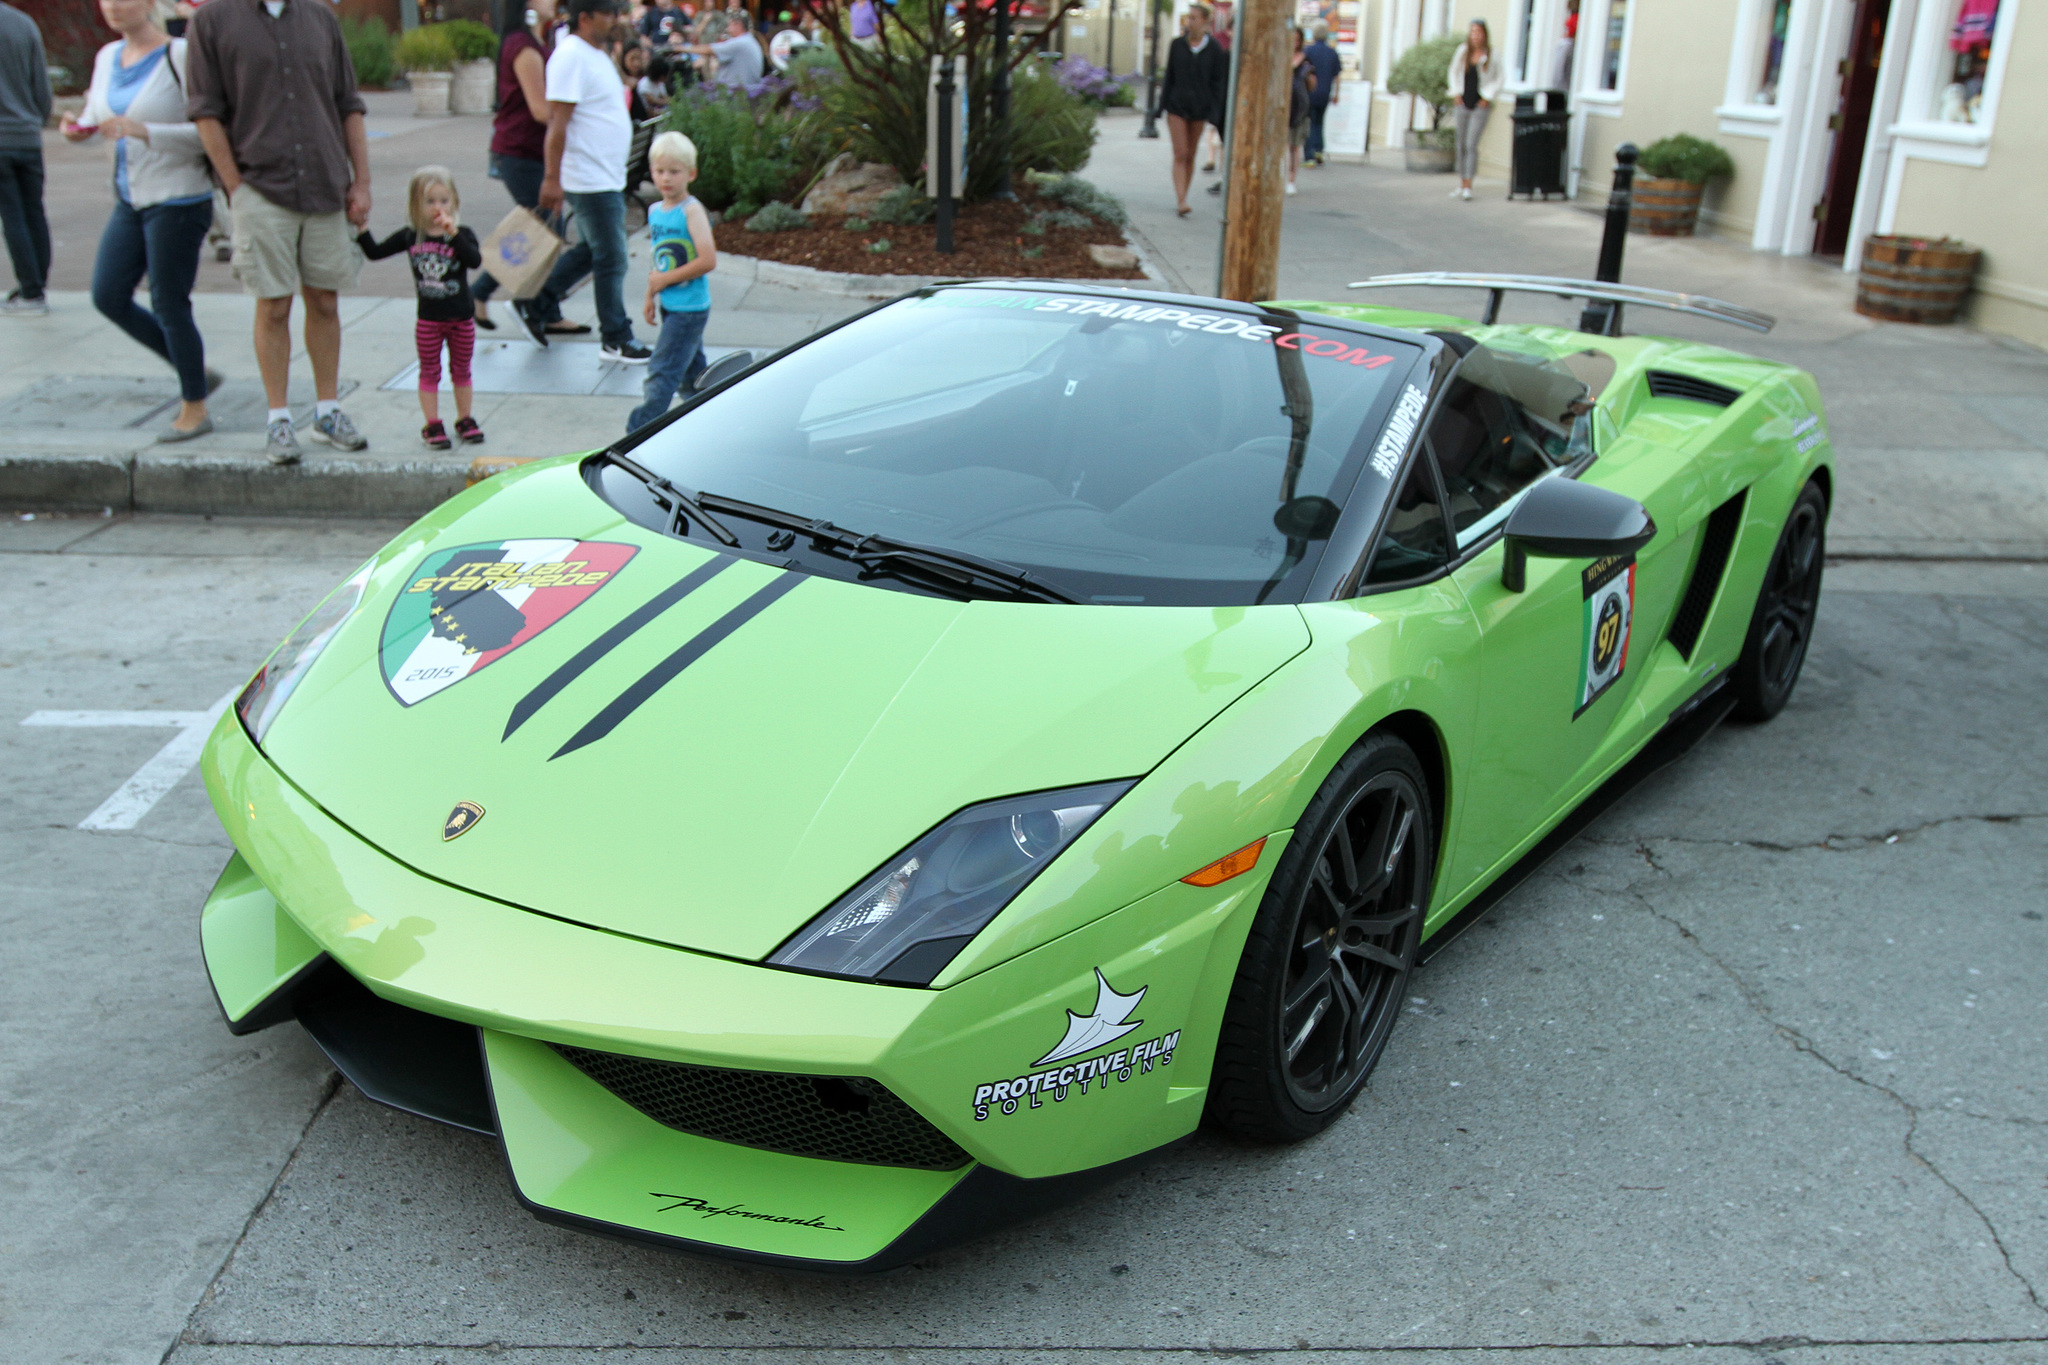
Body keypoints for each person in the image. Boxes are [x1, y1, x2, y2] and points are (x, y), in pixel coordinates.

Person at [186, 0, 373, 463]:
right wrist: (235, 187)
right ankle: (278, 419)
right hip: (260, 186)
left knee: (325, 300)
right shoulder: (212, 20)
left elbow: (347, 103)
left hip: (325, 183)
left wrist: (362, 180)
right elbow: (205, 112)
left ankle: (327, 412)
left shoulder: (320, 17)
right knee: (272, 305)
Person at [65, 0, 221, 438]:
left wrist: (146, 131)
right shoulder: (105, 57)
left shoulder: (180, 55)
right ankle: (191, 368)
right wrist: (75, 130)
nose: (113, 6)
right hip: (129, 200)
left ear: (150, 3)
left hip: (178, 199)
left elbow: (210, 131)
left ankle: (195, 406)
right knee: (107, 294)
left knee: (169, 302)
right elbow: (98, 123)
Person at [525, 0, 651, 362]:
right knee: (612, 257)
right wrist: (552, 178)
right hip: (589, 176)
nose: (615, 19)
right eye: (608, 13)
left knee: (590, 251)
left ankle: (534, 304)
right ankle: (615, 336)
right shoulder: (570, 56)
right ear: (585, 18)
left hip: (606, 174)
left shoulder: (595, 53)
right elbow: (557, 124)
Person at [474, 0, 583, 336]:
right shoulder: (523, 47)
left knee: (541, 229)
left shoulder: (536, 41)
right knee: (541, 228)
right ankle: (488, 294)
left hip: (526, 152)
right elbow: (540, 109)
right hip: (519, 152)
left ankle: (538, 307)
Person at [358, 166, 486, 450]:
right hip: (429, 319)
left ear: (454, 202)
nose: (437, 207)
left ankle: (465, 418)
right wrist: (361, 228)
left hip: (461, 317)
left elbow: (475, 260)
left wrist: (452, 234)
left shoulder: (462, 233)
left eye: (443, 200)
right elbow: (376, 252)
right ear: (416, 204)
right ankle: (433, 423)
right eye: (430, 201)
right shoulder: (411, 236)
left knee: (461, 369)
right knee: (430, 370)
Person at [625, 131, 715, 432]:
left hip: (690, 309)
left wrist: (664, 280)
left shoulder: (691, 211)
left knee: (661, 373)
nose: (666, 179)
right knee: (694, 380)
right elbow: (659, 260)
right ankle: (710, 426)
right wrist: (651, 294)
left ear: (691, 174)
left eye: (674, 172)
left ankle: (638, 434)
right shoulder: (654, 212)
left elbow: (707, 260)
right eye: (660, 171)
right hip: (671, 305)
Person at [0, 0, 52, 315]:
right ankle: (37, 285)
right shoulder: (23, 23)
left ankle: (31, 292)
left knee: (12, 216)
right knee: (34, 212)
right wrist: (36, 121)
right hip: (28, 135)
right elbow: (41, 87)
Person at [1159, 4, 1225, 218]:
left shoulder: (1214, 48)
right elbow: (1169, 76)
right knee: (1181, 152)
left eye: (1195, 18)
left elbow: (1217, 82)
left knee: (1191, 153)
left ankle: (1184, 194)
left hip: (1200, 107)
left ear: (1205, 22)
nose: (1190, 22)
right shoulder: (1177, 45)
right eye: (1189, 18)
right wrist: (1161, 106)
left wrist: (1214, 111)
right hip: (1177, 105)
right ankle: (1181, 200)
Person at [1448, 18, 1500, 202]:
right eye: (1472, 32)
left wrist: (1488, 97)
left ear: (1484, 34)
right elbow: (1453, 72)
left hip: (1480, 105)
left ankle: (1469, 185)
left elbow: (1499, 78)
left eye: (1478, 32)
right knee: (1460, 144)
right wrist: (1455, 93)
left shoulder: (1492, 54)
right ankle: (1461, 182)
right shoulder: (1463, 51)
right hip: (1463, 101)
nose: (1475, 35)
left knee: (1471, 144)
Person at [679, 8, 762, 87]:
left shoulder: (740, 42)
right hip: (743, 91)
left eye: (730, 24)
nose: (728, 28)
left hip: (737, 94)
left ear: (738, 25)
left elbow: (709, 49)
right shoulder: (749, 39)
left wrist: (681, 48)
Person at [1302, 21, 1340, 165]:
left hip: (1310, 92)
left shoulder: (1308, 51)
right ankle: (1318, 149)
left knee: (1309, 122)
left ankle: (1310, 153)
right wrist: (1337, 93)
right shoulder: (1332, 52)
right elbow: (1337, 75)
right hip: (1325, 92)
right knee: (1319, 122)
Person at [1285, 26, 1311, 196]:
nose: (1295, 42)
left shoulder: (1306, 60)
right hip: (1282, 106)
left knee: (1294, 145)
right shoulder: (1281, 57)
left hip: (1299, 107)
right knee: (1284, 145)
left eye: (1297, 39)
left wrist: (1308, 78)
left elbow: (1312, 85)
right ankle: (1282, 176)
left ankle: (1291, 179)